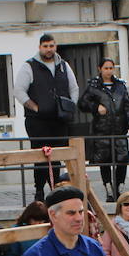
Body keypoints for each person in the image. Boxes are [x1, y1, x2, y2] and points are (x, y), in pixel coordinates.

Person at [14, 33, 80, 200]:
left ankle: (55, 187)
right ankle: (38, 190)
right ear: (40, 47)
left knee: (57, 156)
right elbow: (18, 90)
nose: (49, 49)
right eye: (45, 46)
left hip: (59, 119)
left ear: (55, 46)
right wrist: (34, 107)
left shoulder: (64, 65)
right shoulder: (29, 66)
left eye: (51, 45)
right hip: (37, 121)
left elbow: (74, 88)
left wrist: (70, 106)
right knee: (40, 156)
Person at [77, 58, 129, 202]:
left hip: (119, 128)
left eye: (111, 68)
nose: (109, 71)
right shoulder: (94, 86)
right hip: (102, 129)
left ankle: (120, 187)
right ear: (100, 69)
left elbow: (127, 106)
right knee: (104, 160)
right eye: (106, 68)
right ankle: (108, 188)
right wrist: (96, 107)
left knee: (122, 158)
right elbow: (82, 103)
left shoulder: (120, 86)